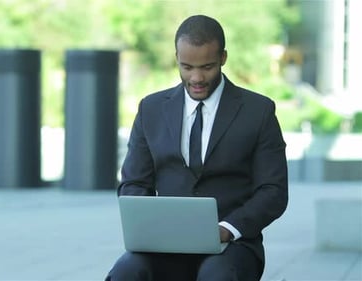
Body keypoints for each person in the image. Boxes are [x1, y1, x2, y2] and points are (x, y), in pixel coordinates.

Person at [105, 15, 288, 281]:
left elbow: (273, 191)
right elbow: (134, 182)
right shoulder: (151, 110)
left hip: (232, 245)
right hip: (164, 245)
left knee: (217, 276)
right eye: (187, 67)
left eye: (207, 67)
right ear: (176, 58)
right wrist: (149, 228)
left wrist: (227, 228)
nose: (196, 77)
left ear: (223, 58)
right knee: (126, 272)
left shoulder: (258, 112)